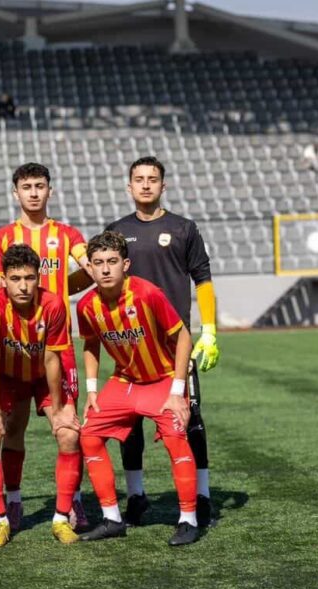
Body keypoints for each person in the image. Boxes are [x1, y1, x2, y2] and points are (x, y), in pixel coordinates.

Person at [104, 156, 220, 529]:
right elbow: (100, 277)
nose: (145, 184)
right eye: (139, 179)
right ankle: (136, 495)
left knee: (191, 418)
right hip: (131, 345)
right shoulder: (117, 231)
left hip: (175, 345)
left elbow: (203, 279)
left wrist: (209, 330)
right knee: (129, 422)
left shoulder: (184, 228)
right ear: (129, 187)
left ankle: (202, 497)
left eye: (152, 179)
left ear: (163, 185)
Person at [75, 230, 201, 546]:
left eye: (112, 261)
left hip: (163, 380)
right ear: (89, 267)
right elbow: (90, 344)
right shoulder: (87, 305)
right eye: (98, 263)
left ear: (126, 264)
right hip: (125, 382)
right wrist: (92, 390)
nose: (105, 269)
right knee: (88, 435)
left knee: (175, 437)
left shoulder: (147, 293)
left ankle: (188, 520)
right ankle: (112, 519)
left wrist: (177, 391)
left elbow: (184, 337)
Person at [0, 162, 91, 530]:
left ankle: (75, 502)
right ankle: (13, 502)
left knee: (68, 426)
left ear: (50, 191)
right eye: (26, 186)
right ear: (16, 192)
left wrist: (60, 289)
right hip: (13, 349)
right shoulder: (1, 237)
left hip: (56, 346)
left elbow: (91, 268)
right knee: (12, 427)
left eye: (39, 186)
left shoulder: (68, 234)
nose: (33, 192)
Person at [0, 244, 82, 547]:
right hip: (7, 377)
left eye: (29, 278)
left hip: (42, 377)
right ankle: (3, 514)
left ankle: (62, 517)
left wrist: (59, 408)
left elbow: (52, 358)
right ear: (4, 280)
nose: (23, 286)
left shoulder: (53, 304)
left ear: (39, 277)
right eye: (15, 279)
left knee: (68, 434)